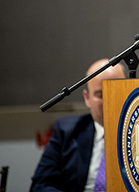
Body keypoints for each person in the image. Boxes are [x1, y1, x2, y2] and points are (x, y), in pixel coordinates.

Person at [30, 60, 126, 192]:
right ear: (87, 98)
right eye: (101, 95)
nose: (109, 100)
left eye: (116, 92)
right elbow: (40, 186)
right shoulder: (66, 131)